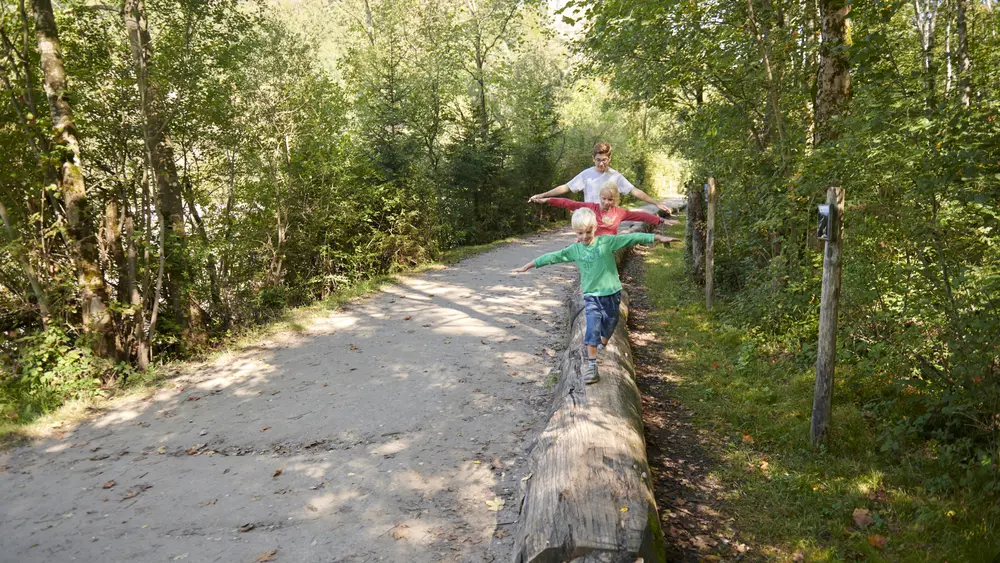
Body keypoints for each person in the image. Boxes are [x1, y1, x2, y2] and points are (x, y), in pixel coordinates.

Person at [510, 207, 679, 384]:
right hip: (591, 297)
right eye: (580, 233)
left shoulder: (605, 242)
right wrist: (528, 266)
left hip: (612, 294)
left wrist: (657, 237)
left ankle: (601, 344)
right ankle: (591, 365)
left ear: (595, 228)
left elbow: (631, 237)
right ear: (575, 233)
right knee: (592, 328)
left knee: (611, 322)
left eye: (588, 232)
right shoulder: (575, 250)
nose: (585, 236)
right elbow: (553, 257)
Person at [528, 141, 672, 214]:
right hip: (588, 219)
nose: (601, 163)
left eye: (604, 160)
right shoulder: (586, 174)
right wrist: (543, 195)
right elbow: (565, 187)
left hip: (608, 220)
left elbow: (635, 191)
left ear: (609, 159)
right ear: (593, 158)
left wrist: (656, 203)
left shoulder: (615, 176)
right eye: (598, 160)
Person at [531, 181, 677, 236]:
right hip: (592, 247)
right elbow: (568, 203)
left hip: (609, 249)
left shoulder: (620, 212)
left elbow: (642, 216)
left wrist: (661, 221)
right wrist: (547, 200)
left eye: (610, 199)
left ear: (616, 199)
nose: (606, 202)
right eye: (604, 199)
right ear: (599, 197)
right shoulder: (591, 207)